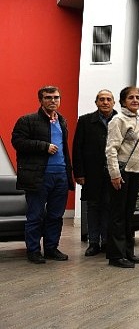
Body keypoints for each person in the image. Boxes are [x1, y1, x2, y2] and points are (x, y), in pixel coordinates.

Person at [11, 85, 74, 264]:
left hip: (60, 175)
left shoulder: (62, 120)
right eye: (48, 98)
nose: (52, 101)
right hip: (39, 176)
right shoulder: (27, 120)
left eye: (56, 97)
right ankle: (33, 250)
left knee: (55, 215)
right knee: (35, 215)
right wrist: (43, 146)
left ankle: (51, 248)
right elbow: (18, 142)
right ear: (41, 100)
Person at [73, 89, 117, 257]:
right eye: (101, 99)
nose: (105, 102)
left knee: (109, 207)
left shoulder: (120, 120)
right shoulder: (85, 121)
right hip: (91, 173)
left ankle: (106, 241)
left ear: (113, 102)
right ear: (96, 102)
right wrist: (79, 172)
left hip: (114, 174)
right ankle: (93, 243)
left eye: (108, 99)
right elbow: (77, 147)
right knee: (92, 207)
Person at [105, 86, 139, 268]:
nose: (135, 100)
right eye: (131, 97)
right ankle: (116, 256)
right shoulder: (118, 120)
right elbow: (111, 149)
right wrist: (114, 174)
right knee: (118, 215)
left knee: (129, 214)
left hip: (135, 173)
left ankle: (128, 252)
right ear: (123, 101)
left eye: (138, 97)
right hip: (121, 173)